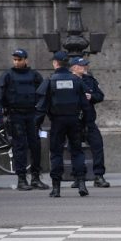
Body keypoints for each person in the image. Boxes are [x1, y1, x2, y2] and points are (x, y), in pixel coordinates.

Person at [34, 51, 91, 197]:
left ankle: (56, 188)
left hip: (58, 121)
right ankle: (81, 184)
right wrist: (87, 123)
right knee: (77, 152)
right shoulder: (76, 80)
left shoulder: (50, 80)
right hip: (74, 121)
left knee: (56, 153)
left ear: (55, 63)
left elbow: (41, 106)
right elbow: (85, 105)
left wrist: (36, 125)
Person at [0, 49, 49, 190]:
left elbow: (43, 96)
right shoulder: (7, 76)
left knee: (35, 146)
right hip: (15, 115)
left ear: (26, 60)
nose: (16, 62)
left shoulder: (34, 75)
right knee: (19, 147)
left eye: (19, 59)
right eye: (15, 59)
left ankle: (35, 178)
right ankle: (22, 179)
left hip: (32, 115)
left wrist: (40, 114)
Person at [69, 56, 110, 188]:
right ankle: (78, 177)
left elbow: (100, 96)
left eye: (85, 65)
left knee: (97, 147)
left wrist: (91, 97)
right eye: (82, 65)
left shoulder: (90, 80)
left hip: (89, 121)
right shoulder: (68, 80)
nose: (85, 67)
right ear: (74, 67)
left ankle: (98, 176)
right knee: (75, 149)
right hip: (74, 121)